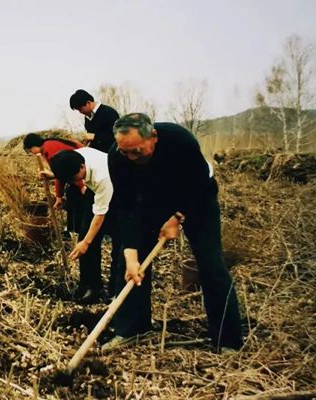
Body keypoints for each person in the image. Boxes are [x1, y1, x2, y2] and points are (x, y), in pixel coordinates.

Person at [104, 113, 243, 353]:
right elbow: (125, 204)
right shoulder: (117, 157)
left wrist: (177, 217)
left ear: (153, 136)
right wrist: (130, 254)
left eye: (136, 151)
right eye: (125, 152)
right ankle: (132, 329)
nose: (131, 157)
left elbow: (198, 183)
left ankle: (228, 340)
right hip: (150, 202)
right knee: (127, 264)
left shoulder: (180, 141)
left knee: (210, 263)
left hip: (197, 198)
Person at [47, 148, 118, 304]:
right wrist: (52, 175)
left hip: (120, 193)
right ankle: (91, 286)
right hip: (96, 191)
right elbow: (68, 173)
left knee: (117, 241)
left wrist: (86, 242)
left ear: (82, 167)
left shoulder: (102, 176)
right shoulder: (75, 157)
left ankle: (115, 289)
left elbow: (99, 215)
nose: (74, 183)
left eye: (74, 179)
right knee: (85, 236)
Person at [22, 133, 85, 233]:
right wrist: (59, 196)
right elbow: (59, 174)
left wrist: (82, 186)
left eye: (30, 150)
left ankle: (77, 230)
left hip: (83, 170)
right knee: (72, 195)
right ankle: (72, 230)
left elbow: (65, 170)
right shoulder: (47, 147)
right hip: (78, 172)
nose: (32, 153)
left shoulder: (50, 148)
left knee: (76, 198)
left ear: (34, 145)